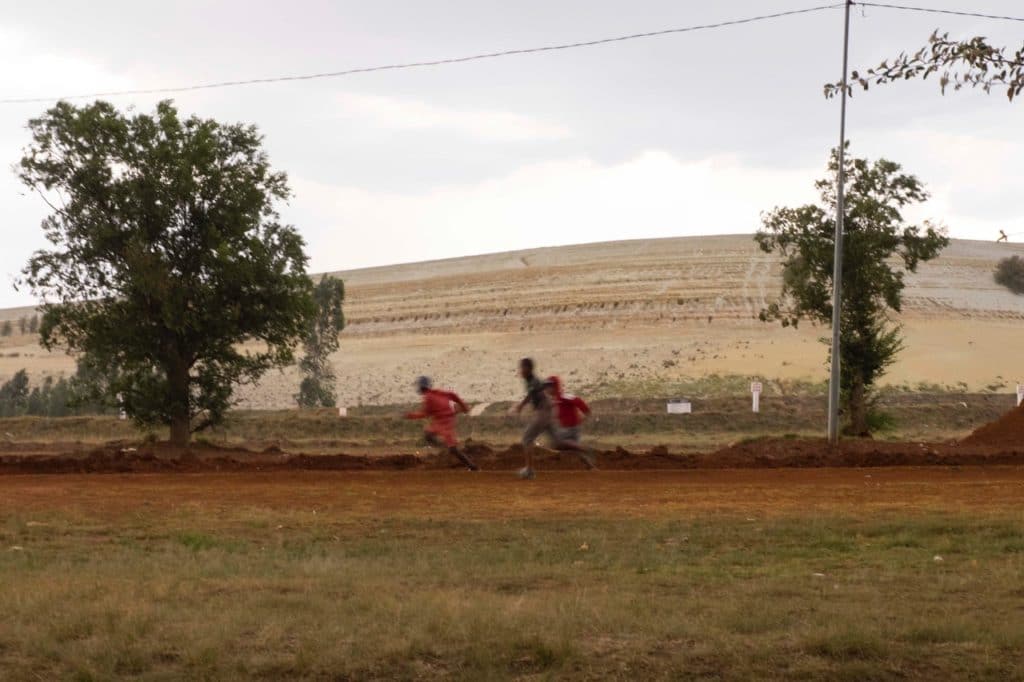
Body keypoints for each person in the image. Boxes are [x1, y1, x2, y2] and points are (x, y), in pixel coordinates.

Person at [405, 376, 478, 471]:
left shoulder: (428, 397)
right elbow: (453, 395)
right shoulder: (438, 393)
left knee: (429, 435)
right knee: (451, 447)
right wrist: (464, 407)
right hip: (447, 419)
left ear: (421, 387)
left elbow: (425, 413)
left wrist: (411, 415)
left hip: (442, 421)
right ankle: (471, 466)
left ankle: (446, 449)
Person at [545, 375, 597, 470]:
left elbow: (579, 402)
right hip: (567, 428)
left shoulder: (564, 396)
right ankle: (591, 467)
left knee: (557, 442)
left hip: (570, 428)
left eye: (548, 386)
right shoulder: (556, 399)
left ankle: (584, 448)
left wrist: (586, 414)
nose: (546, 389)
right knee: (575, 450)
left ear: (555, 386)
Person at [512, 357, 550, 479]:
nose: (520, 370)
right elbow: (533, 393)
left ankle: (529, 471)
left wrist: (520, 406)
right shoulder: (530, 380)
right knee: (558, 440)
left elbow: (532, 392)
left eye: (522, 367)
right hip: (544, 411)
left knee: (527, 438)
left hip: (543, 411)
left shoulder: (533, 381)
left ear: (528, 369)